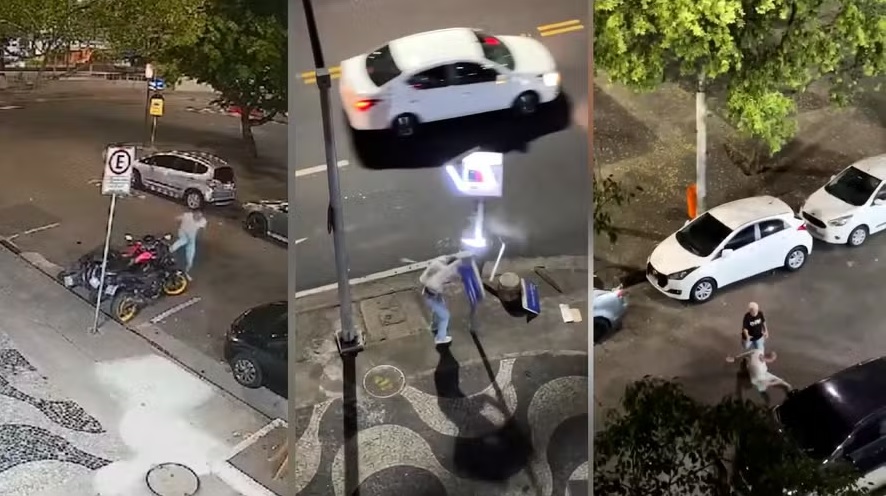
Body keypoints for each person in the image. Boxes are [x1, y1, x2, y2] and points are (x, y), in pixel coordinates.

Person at [419, 255, 464, 345]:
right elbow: (449, 274)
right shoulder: (443, 273)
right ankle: (440, 338)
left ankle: (434, 326)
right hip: (431, 297)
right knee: (445, 317)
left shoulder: (438, 265)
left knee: (438, 310)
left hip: (432, 294)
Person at [726, 349, 792, 404]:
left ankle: (788, 398)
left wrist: (735, 358)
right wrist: (778, 381)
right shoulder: (758, 368)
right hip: (759, 380)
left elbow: (744, 354)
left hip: (764, 374)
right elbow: (766, 383)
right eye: (771, 360)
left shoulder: (757, 351)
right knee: (784, 386)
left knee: (786, 386)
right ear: (769, 359)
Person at [170, 210, 207, 279]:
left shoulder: (202, 221)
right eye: (196, 216)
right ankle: (170, 250)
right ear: (193, 214)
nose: (197, 218)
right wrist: (180, 226)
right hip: (183, 234)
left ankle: (186, 272)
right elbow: (177, 218)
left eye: (199, 217)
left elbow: (201, 231)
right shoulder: (187, 215)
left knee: (190, 257)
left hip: (191, 239)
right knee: (183, 241)